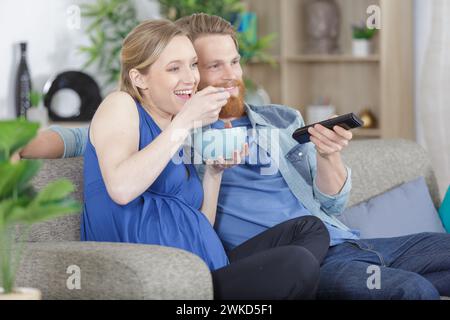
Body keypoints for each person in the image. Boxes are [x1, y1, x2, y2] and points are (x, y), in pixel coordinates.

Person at [20, 14, 450, 300]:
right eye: (209, 66)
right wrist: (20, 144)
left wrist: (328, 156)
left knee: (325, 231)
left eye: (234, 62)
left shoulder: (280, 120)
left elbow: (331, 205)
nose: (228, 76)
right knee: (408, 289)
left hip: (345, 241)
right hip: (261, 262)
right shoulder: (172, 122)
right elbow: (86, 140)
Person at [67, 19, 330, 300]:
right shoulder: (121, 105)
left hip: (206, 271)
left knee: (311, 228)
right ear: (138, 78)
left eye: (193, 65)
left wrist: (214, 173)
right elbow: (121, 188)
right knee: (297, 265)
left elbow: (199, 222)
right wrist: (185, 122)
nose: (191, 78)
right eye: (173, 68)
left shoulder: (174, 127)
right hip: (165, 283)